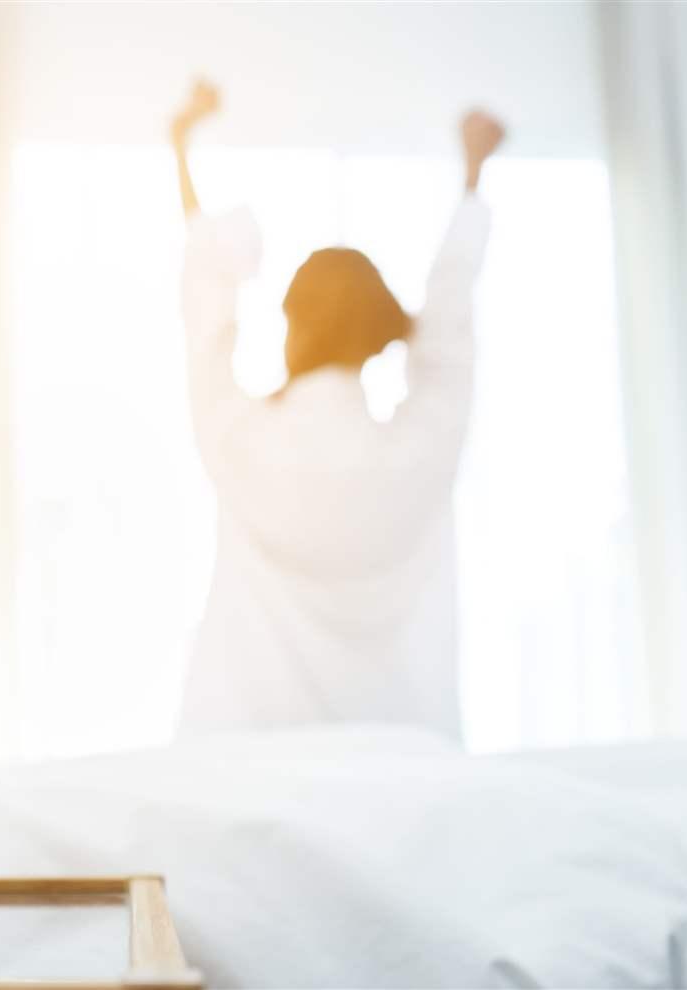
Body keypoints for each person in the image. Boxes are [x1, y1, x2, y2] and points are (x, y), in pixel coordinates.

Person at [170, 80, 504, 738]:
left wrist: (179, 148)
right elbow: (448, 328)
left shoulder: (238, 441)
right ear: (384, 329)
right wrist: (473, 173)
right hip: (402, 774)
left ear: (290, 324)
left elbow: (207, 300)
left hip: (239, 769)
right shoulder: (420, 452)